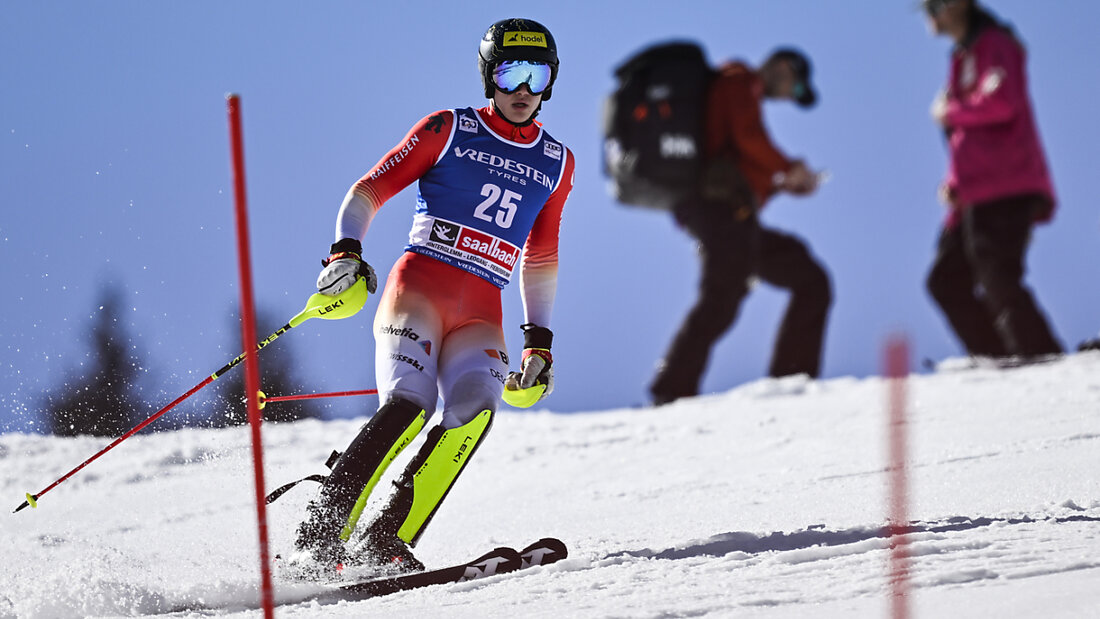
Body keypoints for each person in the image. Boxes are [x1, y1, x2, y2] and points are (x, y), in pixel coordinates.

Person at [290, 17, 574, 575]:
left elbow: (540, 255)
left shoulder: (557, 162)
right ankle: (318, 537)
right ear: (489, 75)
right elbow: (368, 189)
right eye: (510, 73)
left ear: (550, 81)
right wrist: (346, 251)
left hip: (482, 308)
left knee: (472, 413)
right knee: (409, 407)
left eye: (535, 75)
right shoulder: (448, 127)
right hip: (420, 284)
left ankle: (384, 540)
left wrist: (538, 341)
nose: (522, 90)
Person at [649, 47, 831, 406]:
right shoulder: (739, 82)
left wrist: (781, 184)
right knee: (722, 298)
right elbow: (748, 137)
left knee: (808, 278)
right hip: (720, 213)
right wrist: (789, 166)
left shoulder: (738, 89)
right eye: (794, 89)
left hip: (730, 215)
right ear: (782, 67)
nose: (788, 97)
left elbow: (740, 163)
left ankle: (790, 379)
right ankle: (670, 389)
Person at [922, 0, 1063, 361]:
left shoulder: (996, 44)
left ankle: (1041, 356)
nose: (930, 13)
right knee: (945, 279)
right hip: (973, 192)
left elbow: (1002, 103)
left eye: (936, 4)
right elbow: (962, 142)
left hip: (1006, 184)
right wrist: (953, 183)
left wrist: (948, 111)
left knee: (997, 274)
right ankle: (998, 355)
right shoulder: (961, 57)